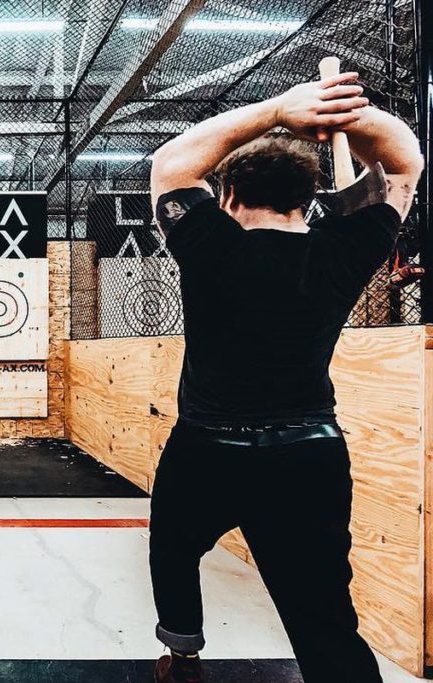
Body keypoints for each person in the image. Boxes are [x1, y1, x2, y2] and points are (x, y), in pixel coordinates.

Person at [147, 71, 423, 683]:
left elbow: (170, 165)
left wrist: (280, 109)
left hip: (208, 446)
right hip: (308, 452)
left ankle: (183, 653)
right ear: (306, 197)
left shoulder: (208, 242)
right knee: (323, 614)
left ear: (228, 194)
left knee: (172, 546)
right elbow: (405, 162)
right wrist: (346, 115)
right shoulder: (345, 248)